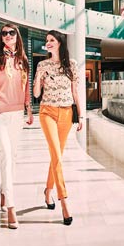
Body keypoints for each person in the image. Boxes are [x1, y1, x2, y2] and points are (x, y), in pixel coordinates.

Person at [0, 24, 33, 230]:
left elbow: (26, 87)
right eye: (4, 33)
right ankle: (11, 207)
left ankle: (3, 190)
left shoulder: (23, 61)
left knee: (13, 157)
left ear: (17, 36)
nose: (8, 36)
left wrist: (29, 109)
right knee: (6, 156)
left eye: (12, 33)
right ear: (1, 38)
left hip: (17, 113)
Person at [33, 30, 83, 226]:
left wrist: (81, 115)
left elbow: (75, 92)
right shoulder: (42, 65)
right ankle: (64, 202)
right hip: (47, 112)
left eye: (52, 40)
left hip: (66, 114)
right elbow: (37, 93)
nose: (48, 43)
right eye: (46, 41)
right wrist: (39, 77)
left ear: (60, 42)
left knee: (57, 157)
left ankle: (47, 191)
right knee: (56, 154)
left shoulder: (72, 65)